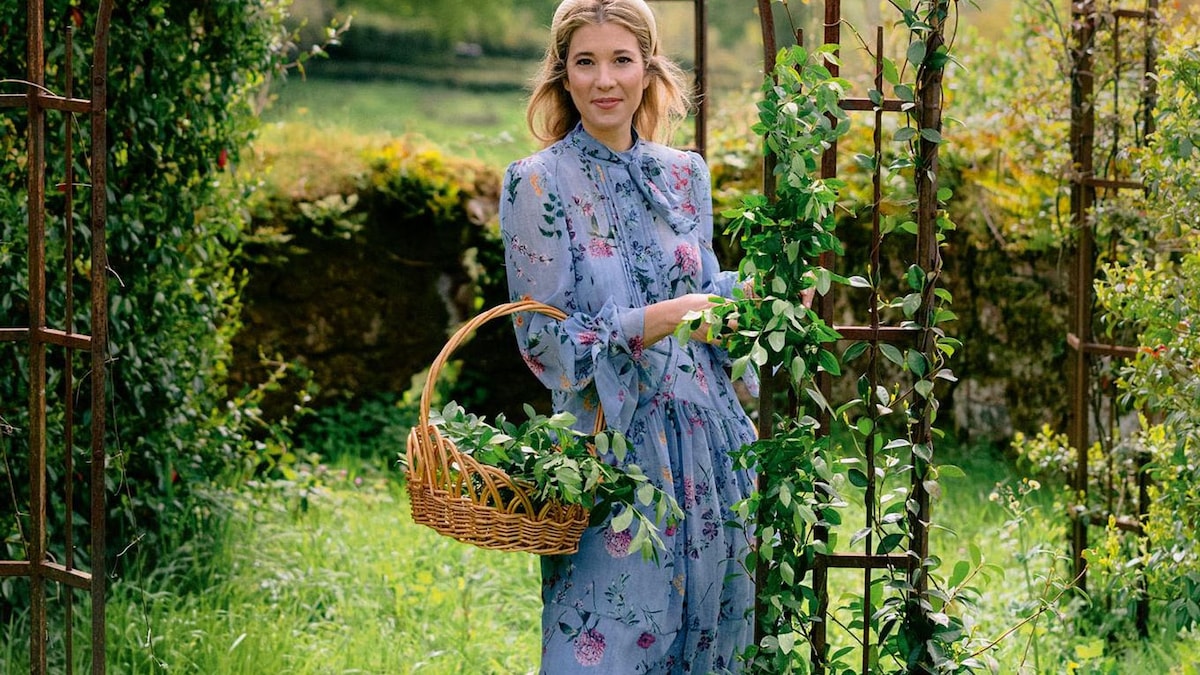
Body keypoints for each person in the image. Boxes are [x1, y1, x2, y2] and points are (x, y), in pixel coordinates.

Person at [498, 0, 757, 671]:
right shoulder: (537, 183)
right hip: (612, 458)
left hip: (711, 448)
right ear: (563, 73)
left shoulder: (686, 175)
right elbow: (546, 347)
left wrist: (752, 302)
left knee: (714, 644)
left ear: (648, 68)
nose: (604, 80)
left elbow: (708, 300)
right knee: (604, 650)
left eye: (621, 59)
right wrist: (659, 318)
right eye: (586, 61)